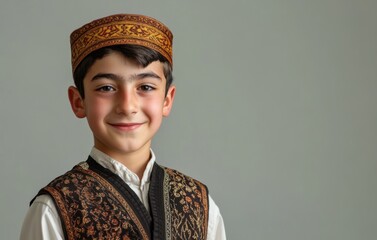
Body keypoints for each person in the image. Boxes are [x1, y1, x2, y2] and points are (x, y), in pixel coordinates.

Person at [20, 13, 226, 240]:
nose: (127, 106)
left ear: (167, 100)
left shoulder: (199, 204)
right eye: (106, 88)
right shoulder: (55, 209)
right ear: (79, 102)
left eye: (145, 87)